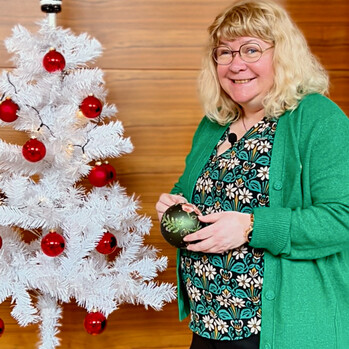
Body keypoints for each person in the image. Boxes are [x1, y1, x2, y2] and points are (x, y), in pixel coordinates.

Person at [155, 0, 349, 348]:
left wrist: (251, 227)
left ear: (282, 55)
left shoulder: (318, 118)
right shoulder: (214, 124)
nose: (236, 64)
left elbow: (342, 219)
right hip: (209, 324)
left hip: (280, 332)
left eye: (251, 49)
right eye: (224, 53)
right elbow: (189, 190)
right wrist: (174, 203)